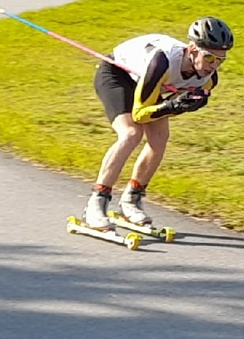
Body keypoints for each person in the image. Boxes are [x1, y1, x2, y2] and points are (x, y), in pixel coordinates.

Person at [82, 16, 235, 230]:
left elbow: (167, 108)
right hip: (118, 74)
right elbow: (140, 114)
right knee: (131, 134)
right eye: (209, 58)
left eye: (221, 60)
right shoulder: (163, 61)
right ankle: (96, 203)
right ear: (192, 49)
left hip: (153, 84)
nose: (214, 66)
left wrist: (182, 106)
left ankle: (131, 199)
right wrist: (171, 107)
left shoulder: (209, 79)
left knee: (160, 138)